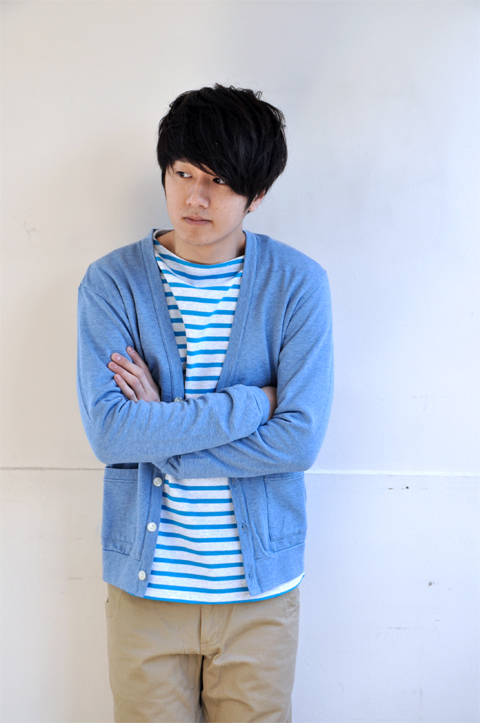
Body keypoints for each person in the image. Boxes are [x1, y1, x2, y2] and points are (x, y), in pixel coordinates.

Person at [77, 84, 333, 723]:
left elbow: (299, 440)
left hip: (259, 597)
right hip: (146, 594)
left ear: (257, 194)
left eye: (219, 181)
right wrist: (254, 403)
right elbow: (111, 435)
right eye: (184, 173)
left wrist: (162, 434)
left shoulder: (297, 284)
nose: (196, 197)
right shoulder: (112, 283)